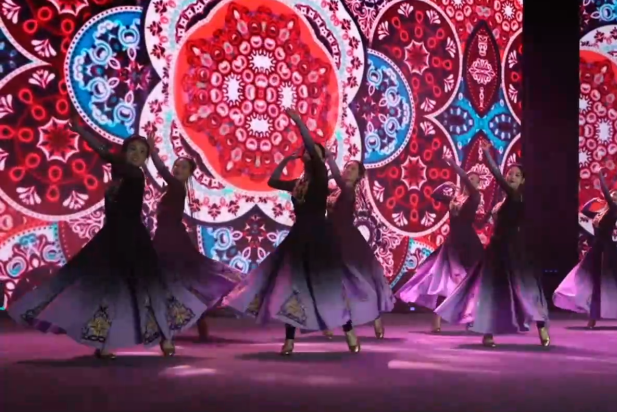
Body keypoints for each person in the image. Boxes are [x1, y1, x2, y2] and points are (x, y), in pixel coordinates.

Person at [7, 117, 208, 358]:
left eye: (142, 152)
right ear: (124, 153)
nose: (137, 154)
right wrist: (81, 131)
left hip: (135, 239)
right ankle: (104, 344)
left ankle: (165, 338)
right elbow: (106, 156)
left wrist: (82, 132)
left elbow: (106, 155)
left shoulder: (135, 174)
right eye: (132, 149)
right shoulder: (122, 172)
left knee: (150, 289)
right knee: (109, 290)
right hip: (113, 238)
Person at [224, 108, 360, 355]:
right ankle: (289, 340)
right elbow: (273, 181)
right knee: (292, 287)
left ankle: (348, 330)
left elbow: (312, 149)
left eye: (313, 151)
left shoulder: (320, 176)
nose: (308, 152)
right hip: (299, 236)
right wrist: (286, 161)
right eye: (307, 151)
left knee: (327, 284)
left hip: (319, 236)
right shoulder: (299, 183)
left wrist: (298, 121)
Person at [435, 153, 550, 348]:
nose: (511, 177)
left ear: (523, 181)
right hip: (496, 249)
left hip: (514, 249)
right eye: (510, 173)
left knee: (525, 290)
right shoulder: (501, 202)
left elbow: (497, 177)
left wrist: (488, 156)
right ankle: (487, 332)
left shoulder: (516, 196)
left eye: (516, 175)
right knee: (490, 291)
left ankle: (541, 327)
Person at [148, 149, 241, 341]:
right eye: (177, 165)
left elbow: (162, 170)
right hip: (167, 237)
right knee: (183, 281)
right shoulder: (172, 188)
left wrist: (153, 152)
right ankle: (193, 324)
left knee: (175, 280)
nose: (178, 169)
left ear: (190, 173)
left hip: (171, 240)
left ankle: (172, 326)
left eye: (183, 167)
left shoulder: (176, 186)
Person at [396, 157, 484, 332]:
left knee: (470, 282)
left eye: (474, 180)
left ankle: (471, 317)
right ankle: (436, 323)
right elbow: (435, 195)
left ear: (478, 185)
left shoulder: (475, 198)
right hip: (452, 244)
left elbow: (472, 214)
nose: (469, 181)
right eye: (468, 178)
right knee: (441, 280)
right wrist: (451, 189)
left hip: (469, 245)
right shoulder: (456, 198)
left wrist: (455, 167)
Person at [554, 172, 617, 329]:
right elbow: (584, 210)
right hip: (597, 250)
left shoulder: (614, 210)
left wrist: (601, 178)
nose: (613, 196)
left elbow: (607, 195)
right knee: (594, 283)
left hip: (609, 251)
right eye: (612, 194)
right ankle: (592, 318)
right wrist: (594, 200)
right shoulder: (600, 213)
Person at [324, 154, 395, 339]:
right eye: (347, 167)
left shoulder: (348, 190)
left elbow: (337, 178)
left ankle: (375, 316)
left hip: (347, 240)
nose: (348, 170)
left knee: (359, 281)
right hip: (329, 238)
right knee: (331, 281)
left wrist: (330, 158)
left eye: (353, 169)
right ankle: (329, 320)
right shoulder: (335, 192)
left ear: (359, 176)